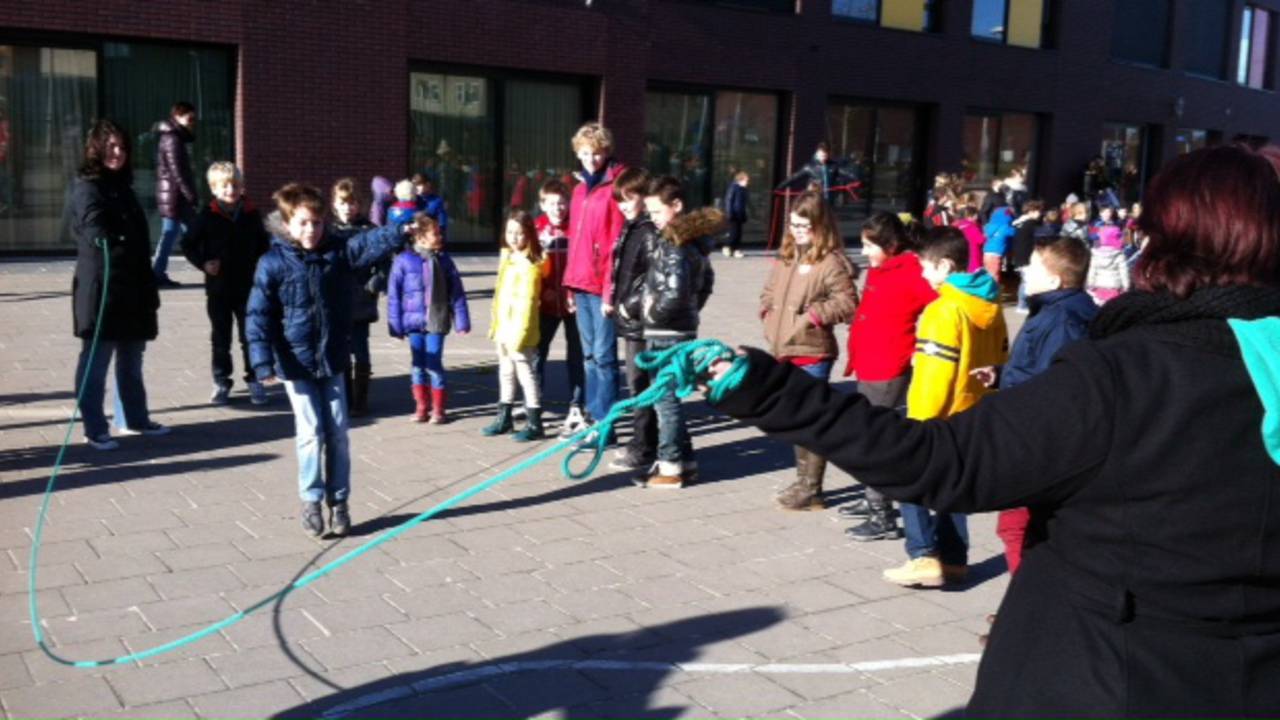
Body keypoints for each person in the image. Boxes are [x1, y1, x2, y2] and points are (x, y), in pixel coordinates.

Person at [705, 143, 1280, 715]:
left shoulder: (1127, 375)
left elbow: (939, 462)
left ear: (1169, 243)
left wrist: (763, 387)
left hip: (1101, 677)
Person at [246, 183, 408, 538]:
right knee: (310, 432)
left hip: (332, 357)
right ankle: (311, 500)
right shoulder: (272, 263)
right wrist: (261, 362)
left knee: (337, 433)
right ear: (287, 224)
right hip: (294, 362)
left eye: (317, 223)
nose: (311, 230)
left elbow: (366, 244)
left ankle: (339, 501)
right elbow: (258, 314)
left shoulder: (337, 252)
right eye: (303, 223)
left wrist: (400, 230)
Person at [886, 227, 1008, 588]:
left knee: (908, 477)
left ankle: (922, 554)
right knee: (956, 485)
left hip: (939, 416)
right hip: (976, 413)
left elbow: (934, 376)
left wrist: (918, 423)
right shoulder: (991, 304)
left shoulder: (943, 310)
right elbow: (1002, 357)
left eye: (925, 266)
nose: (922, 274)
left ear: (944, 265)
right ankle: (954, 559)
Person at [971, 236, 1096, 576]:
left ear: (1055, 279)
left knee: (1016, 528)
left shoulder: (1062, 320)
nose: (1026, 270)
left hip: (1037, 441)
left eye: (1036, 266)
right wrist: (1001, 375)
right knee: (1024, 529)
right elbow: (1038, 366)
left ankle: (1026, 614)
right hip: (1035, 434)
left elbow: (1057, 384)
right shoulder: (1058, 310)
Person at [70, 119, 167, 450]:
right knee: (97, 359)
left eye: (123, 147)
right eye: (111, 146)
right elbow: (92, 225)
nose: (118, 152)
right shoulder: (88, 185)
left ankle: (134, 418)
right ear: (96, 148)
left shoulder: (123, 186)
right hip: (104, 286)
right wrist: (106, 236)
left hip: (134, 286)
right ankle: (94, 427)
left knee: (132, 356)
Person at [840, 212, 936, 540]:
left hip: (887, 366)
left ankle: (882, 515)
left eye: (870, 245)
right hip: (868, 362)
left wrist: (927, 345)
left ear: (891, 245)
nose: (864, 251)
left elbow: (940, 301)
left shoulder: (911, 271)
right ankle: (872, 500)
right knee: (868, 433)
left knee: (874, 439)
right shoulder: (880, 268)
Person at [760, 192, 857, 510]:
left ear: (819, 225)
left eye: (803, 225)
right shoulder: (788, 255)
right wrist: (767, 311)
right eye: (793, 224)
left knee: (810, 422)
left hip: (812, 352)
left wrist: (813, 316)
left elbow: (848, 301)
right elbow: (770, 289)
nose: (796, 230)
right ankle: (803, 481)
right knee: (793, 421)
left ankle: (811, 488)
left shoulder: (830, 261)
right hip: (783, 349)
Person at [635, 176, 718, 489]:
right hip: (680, 328)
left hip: (666, 333)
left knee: (665, 400)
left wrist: (652, 312)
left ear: (676, 206)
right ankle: (687, 460)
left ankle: (670, 467)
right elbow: (705, 284)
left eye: (657, 211)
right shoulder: (693, 242)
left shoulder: (674, 242)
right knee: (670, 396)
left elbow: (676, 292)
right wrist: (691, 312)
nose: (653, 218)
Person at [181, 161, 270, 406]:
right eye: (224, 186)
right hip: (219, 289)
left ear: (242, 187)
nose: (230, 189)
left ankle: (254, 379)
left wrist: (264, 270)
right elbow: (187, 243)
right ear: (214, 189)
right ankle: (221, 381)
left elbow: (264, 245)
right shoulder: (207, 216)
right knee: (221, 338)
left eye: (235, 185)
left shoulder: (251, 214)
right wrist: (203, 263)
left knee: (249, 336)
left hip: (248, 288)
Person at [563, 122, 627, 444]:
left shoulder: (614, 186)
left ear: (606, 151)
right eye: (584, 153)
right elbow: (575, 238)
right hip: (581, 281)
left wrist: (609, 291)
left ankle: (606, 424)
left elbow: (616, 242)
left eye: (596, 152)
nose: (590, 159)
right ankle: (593, 416)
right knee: (588, 356)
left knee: (604, 356)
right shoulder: (578, 190)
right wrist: (570, 286)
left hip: (602, 285)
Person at [387, 214, 470, 424]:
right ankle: (421, 406)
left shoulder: (444, 261)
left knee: (434, 363)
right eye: (435, 233)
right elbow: (394, 294)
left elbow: (457, 293)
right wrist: (395, 325)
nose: (440, 236)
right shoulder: (403, 260)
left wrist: (461, 320)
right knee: (417, 364)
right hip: (413, 323)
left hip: (437, 320)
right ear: (421, 237)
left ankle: (439, 409)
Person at [606, 168, 660, 473]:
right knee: (638, 383)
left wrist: (628, 306)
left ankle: (644, 447)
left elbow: (653, 280)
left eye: (630, 199)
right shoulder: (632, 227)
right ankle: (646, 442)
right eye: (620, 201)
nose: (624, 206)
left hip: (641, 321)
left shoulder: (648, 231)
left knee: (641, 384)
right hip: (631, 319)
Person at [482, 210, 546, 441]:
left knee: (526, 374)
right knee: (505, 372)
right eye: (510, 232)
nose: (514, 237)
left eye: (520, 233)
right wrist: (496, 326)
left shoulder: (530, 265)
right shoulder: (507, 259)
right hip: (504, 328)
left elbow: (527, 304)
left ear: (529, 235)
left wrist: (519, 335)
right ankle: (504, 417)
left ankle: (535, 422)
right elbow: (500, 295)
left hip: (520, 331)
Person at [532, 179, 587, 438]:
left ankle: (577, 407)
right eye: (552, 203)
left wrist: (571, 290)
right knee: (537, 355)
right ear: (542, 204)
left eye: (562, 203)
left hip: (573, 304)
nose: (558, 208)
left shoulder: (577, 227)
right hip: (544, 305)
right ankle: (534, 402)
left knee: (576, 356)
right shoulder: (535, 229)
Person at [330, 178, 387, 417]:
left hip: (361, 299)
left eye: (352, 203)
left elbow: (384, 259)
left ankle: (361, 400)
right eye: (343, 203)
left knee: (361, 350)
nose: (348, 208)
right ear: (335, 204)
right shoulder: (329, 231)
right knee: (341, 352)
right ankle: (346, 397)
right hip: (337, 300)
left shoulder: (370, 230)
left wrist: (376, 282)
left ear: (359, 205)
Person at [152, 101, 198, 287]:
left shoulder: (175, 137)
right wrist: (190, 194)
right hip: (174, 196)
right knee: (173, 233)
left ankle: (157, 273)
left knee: (192, 233)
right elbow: (177, 171)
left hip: (174, 195)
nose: (193, 121)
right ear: (178, 115)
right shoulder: (172, 138)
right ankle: (156, 274)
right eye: (190, 117)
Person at [777, 142, 858, 200]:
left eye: (825, 156)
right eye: (822, 155)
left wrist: (856, 179)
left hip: (828, 201)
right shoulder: (809, 167)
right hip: (814, 199)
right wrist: (779, 188)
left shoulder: (832, 166)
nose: (823, 158)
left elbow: (846, 173)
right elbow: (793, 178)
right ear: (817, 153)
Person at [1007, 199, 1045, 313]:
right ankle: (1022, 305)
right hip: (1027, 256)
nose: (1040, 214)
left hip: (1019, 256)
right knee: (1027, 281)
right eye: (1038, 211)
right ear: (1031, 211)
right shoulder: (1030, 224)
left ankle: (1023, 303)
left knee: (1024, 280)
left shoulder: (1019, 223)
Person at [1086, 224, 1131, 305]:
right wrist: (1126, 286)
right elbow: (1124, 273)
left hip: (1099, 288)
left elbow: (1092, 270)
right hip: (1114, 288)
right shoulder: (1119, 255)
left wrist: (1090, 285)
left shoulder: (1095, 254)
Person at [722, 171, 749, 258]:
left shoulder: (743, 190)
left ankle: (736, 249)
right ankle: (728, 247)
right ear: (740, 180)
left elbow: (744, 204)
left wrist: (744, 214)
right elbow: (729, 201)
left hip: (739, 214)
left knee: (738, 234)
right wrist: (729, 213)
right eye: (746, 180)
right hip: (733, 214)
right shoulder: (733, 188)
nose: (747, 183)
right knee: (733, 233)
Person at [953, 203, 985, 273]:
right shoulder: (972, 227)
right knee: (975, 272)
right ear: (971, 216)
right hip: (974, 252)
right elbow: (980, 240)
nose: (976, 217)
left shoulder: (958, 226)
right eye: (975, 215)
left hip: (962, 252)